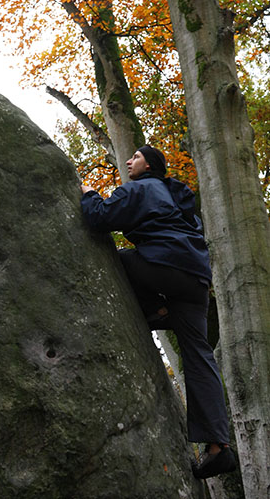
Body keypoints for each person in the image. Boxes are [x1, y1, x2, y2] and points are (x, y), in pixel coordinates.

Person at [80, 145, 237, 480]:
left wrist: (90, 193)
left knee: (116, 261)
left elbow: (99, 218)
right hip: (196, 280)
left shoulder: (142, 187)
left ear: (148, 164)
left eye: (134, 157)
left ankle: (156, 308)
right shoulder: (177, 198)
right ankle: (217, 447)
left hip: (164, 265)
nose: (127, 161)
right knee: (198, 355)